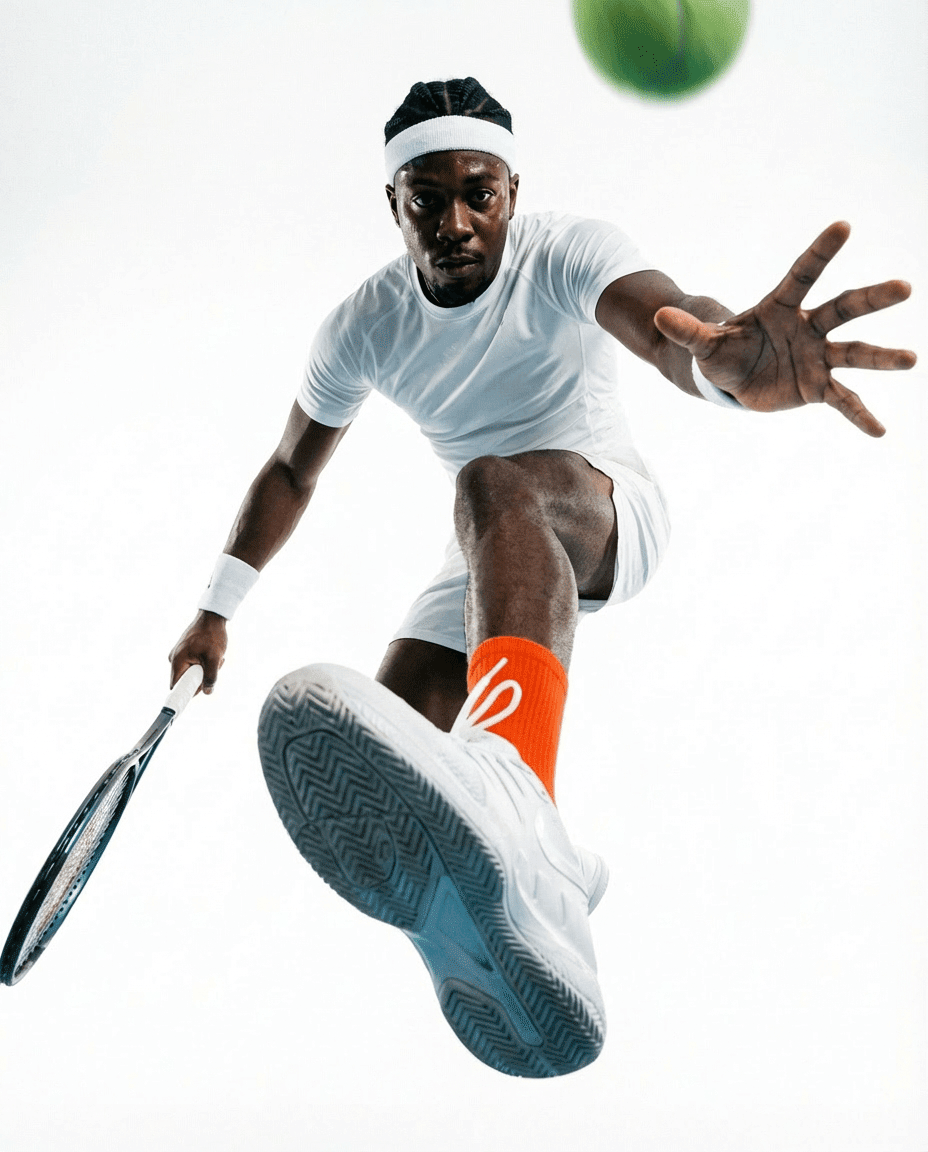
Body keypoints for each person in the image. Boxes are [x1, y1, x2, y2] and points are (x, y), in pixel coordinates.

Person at [168, 78, 916, 1079]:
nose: (456, 222)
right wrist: (214, 609)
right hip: (486, 538)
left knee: (490, 483)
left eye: (479, 194)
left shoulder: (566, 251)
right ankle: (517, 908)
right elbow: (290, 470)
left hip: (602, 507)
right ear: (393, 205)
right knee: (395, 758)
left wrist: (727, 367)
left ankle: (520, 795)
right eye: (427, 200)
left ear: (513, 192)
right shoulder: (364, 326)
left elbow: (671, 329)